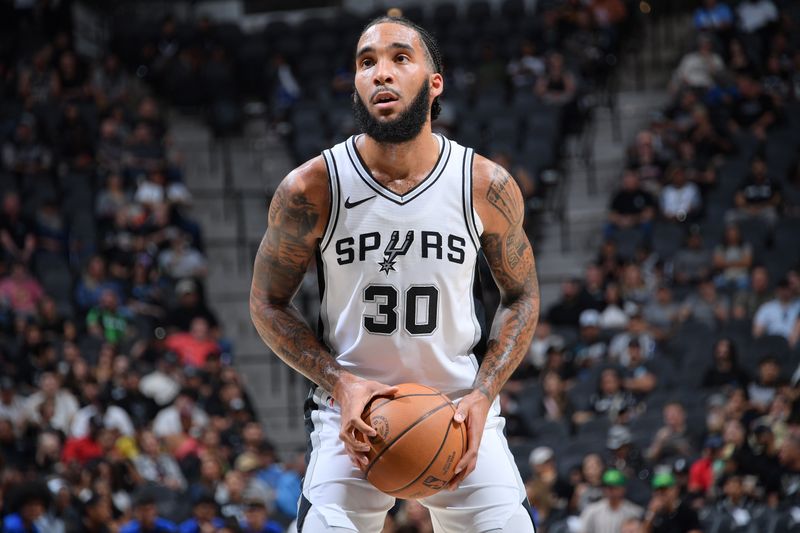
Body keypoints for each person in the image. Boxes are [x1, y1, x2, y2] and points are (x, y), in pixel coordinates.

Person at [249, 15, 539, 533]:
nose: (381, 72)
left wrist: (484, 393)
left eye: (400, 57)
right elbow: (266, 301)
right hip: (354, 417)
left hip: (455, 410)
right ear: (356, 85)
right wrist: (339, 383)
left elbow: (521, 296)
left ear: (434, 82)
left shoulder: (483, 184)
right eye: (367, 62)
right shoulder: (311, 188)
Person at [579, 469, 643, 533]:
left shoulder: (635, 512)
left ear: (623, 488)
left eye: (614, 487)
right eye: (607, 487)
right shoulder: (591, 511)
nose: (609, 490)